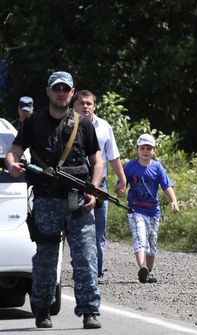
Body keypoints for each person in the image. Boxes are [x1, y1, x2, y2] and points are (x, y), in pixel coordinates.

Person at [5, 71, 103, 329]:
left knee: (86, 258)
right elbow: (13, 153)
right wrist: (13, 165)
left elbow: (97, 161)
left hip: (79, 200)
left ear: (72, 93)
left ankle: (90, 311)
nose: (61, 92)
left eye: (66, 89)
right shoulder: (33, 122)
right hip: (47, 200)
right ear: (48, 92)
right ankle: (42, 309)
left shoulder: (83, 124)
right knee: (46, 259)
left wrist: (93, 189)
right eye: (56, 88)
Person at [74, 89, 127, 279]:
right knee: (80, 230)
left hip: (100, 185)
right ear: (76, 105)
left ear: (94, 106)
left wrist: (122, 178)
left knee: (98, 231)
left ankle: (96, 272)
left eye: (89, 103)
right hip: (76, 184)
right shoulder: (68, 126)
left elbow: (112, 156)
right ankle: (80, 268)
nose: (85, 106)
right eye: (82, 103)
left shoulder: (104, 127)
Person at [122, 133, 179, 284]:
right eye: (142, 148)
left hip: (153, 211)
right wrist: (120, 189)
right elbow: (122, 184)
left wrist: (173, 200)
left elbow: (166, 186)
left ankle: (148, 272)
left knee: (152, 244)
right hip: (135, 210)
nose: (145, 151)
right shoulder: (130, 166)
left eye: (149, 148)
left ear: (153, 151)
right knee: (140, 238)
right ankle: (142, 267)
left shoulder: (157, 167)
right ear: (137, 150)